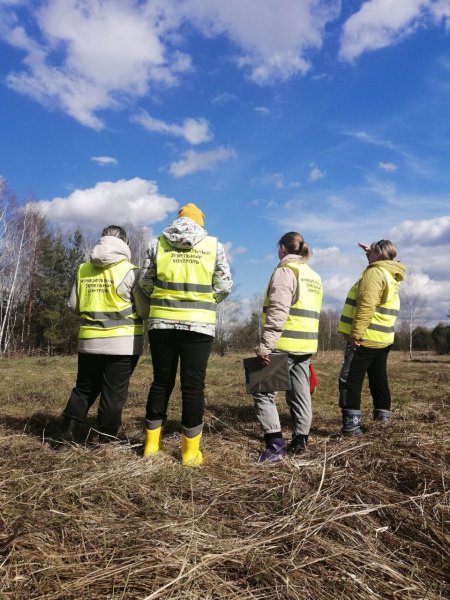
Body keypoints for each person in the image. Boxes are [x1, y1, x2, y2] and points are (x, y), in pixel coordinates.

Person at [139, 203, 232, 466]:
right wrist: (207, 300)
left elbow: (145, 281)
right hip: (199, 325)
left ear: (177, 220)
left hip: (162, 324)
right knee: (193, 386)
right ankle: (190, 453)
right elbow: (225, 284)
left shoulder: (157, 244)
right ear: (200, 223)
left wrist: (162, 299)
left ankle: (151, 447)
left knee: (161, 382)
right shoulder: (214, 245)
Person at [59, 225, 149, 446]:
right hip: (123, 344)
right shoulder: (131, 271)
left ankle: (66, 433)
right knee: (114, 393)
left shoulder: (83, 269)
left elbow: (73, 305)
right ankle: (106, 440)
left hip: (90, 341)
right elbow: (144, 311)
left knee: (84, 387)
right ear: (125, 243)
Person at [253, 231, 323, 463]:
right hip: (305, 345)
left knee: (263, 392)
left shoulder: (285, 271)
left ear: (283, 249)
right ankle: (301, 440)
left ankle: (275, 447)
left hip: (282, 344)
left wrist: (266, 345)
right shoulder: (313, 275)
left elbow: (278, 310)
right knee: (300, 394)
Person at [337, 239, 405, 435]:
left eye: (372, 253)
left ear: (379, 254)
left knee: (351, 379)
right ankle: (382, 423)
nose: (369, 256)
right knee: (378, 379)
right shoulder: (391, 273)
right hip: (383, 338)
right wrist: (370, 253)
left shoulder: (374, 273)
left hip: (366, 337)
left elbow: (366, 305)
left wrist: (355, 334)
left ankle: (351, 426)